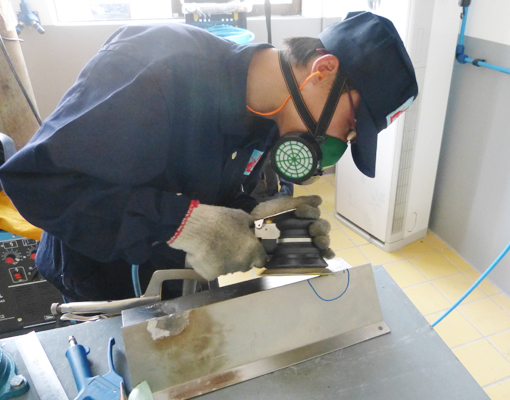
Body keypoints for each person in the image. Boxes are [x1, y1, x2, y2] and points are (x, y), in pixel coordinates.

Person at [0, 12, 417, 302]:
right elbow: (37, 185)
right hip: (97, 282)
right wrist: (182, 224)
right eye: (350, 124)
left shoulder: (273, 119)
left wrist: (263, 224)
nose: (340, 141)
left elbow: (213, 194)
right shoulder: (157, 65)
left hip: (177, 282)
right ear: (322, 71)